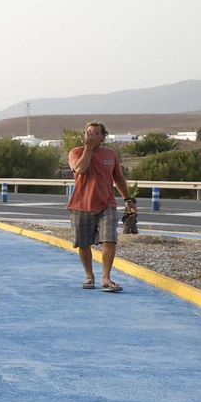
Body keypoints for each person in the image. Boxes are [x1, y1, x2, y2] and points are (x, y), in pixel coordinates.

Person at [67, 121, 131, 292]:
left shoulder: (111, 154)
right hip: (81, 205)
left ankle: (106, 278)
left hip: (106, 204)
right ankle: (89, 276)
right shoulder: (76, 152)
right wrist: (88, 148)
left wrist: (128, 199)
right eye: (89, 133)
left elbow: (118, 178)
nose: (92, 136)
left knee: (110, 239)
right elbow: (80, 169)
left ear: (103, 137)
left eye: (96, 133)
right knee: (83, 243)